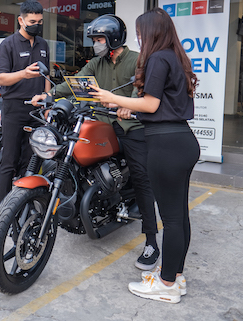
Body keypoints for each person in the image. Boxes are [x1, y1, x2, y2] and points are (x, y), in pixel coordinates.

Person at [90, 7, 200, 304]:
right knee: (180, 217)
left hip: (165, 146)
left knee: (172, 220)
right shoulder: (174, 56)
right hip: (182, 140)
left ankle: (166, 285)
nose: (138, 38)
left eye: (140, 33)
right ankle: (175, 277)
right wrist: (127, 106)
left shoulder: (157, 58)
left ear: (151, 33)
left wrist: (111, 97)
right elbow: (159, 105)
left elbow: (151, 104)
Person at [33, 14, 160, 271]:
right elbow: (75, 84)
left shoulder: (139, 60)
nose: (96, 44)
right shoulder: (95, 63)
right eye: (95, 39)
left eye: (100, 39)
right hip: (101, 122)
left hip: (129, 126)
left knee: (142, 177)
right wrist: (49, 95)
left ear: (113, 39)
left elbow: (140, 89)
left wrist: (127, 105)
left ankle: (151, 242)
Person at [0, 0, 50, 207]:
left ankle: (25, 205)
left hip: (37, 110)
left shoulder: (43, 45)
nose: (37, 25)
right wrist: (23, 74)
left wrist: (47, 101)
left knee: (31, 160)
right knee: (9, 160)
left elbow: (46, 76)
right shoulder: (8, 44)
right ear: (21, 20)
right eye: (32, 21)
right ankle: (4, 209)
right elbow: (1, 78)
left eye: (40, 21)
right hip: (14, 108)